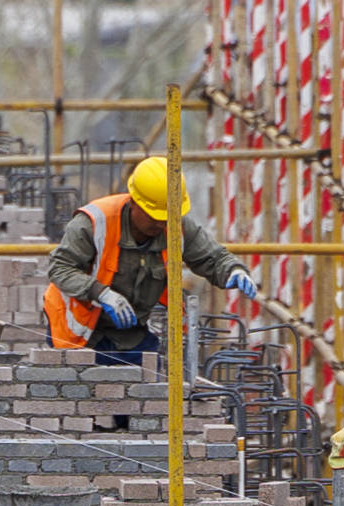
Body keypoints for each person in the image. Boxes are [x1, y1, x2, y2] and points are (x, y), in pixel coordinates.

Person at [42, 155, 259, 366]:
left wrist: (232, 270)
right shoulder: (94, 223)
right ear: (134, 202)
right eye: (156, 218)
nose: (163, 225)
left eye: (168, 219)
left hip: (130, 335)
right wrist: (101, 293)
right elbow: (60, 268)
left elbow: (213, 256)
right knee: (84, 399)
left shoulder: (176, 226)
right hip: (78, 335)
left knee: (143, 394)